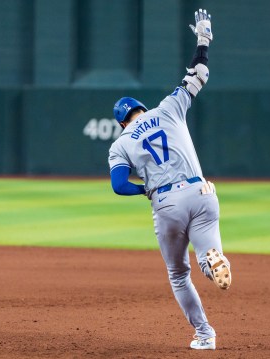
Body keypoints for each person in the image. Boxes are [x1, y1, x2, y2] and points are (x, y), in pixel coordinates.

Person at [107, 9, 231, 351]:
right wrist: (203, 40)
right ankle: (213, 260)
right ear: (142, 108)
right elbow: (199, 73)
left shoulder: (120, 144)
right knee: (207, 251)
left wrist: (144, 188)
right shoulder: (168, 107)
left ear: (121, 123)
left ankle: (205, 335)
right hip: (201, 190)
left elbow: (119, 186)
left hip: (166, 202)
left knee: (178, 274)